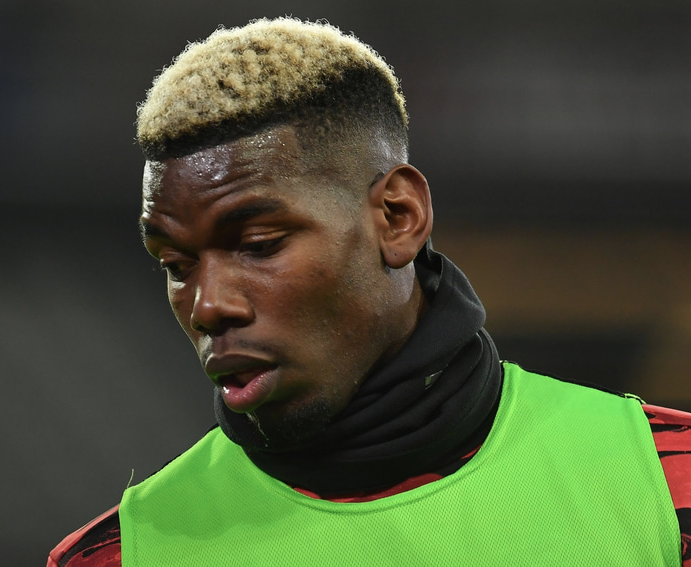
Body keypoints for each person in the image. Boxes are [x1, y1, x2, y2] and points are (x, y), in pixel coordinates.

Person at [49, 18, 691, 566]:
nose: (208, 305)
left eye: (260, 245)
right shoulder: (122, 555)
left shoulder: (670, 488)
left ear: (397, 218)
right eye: (176, 264)